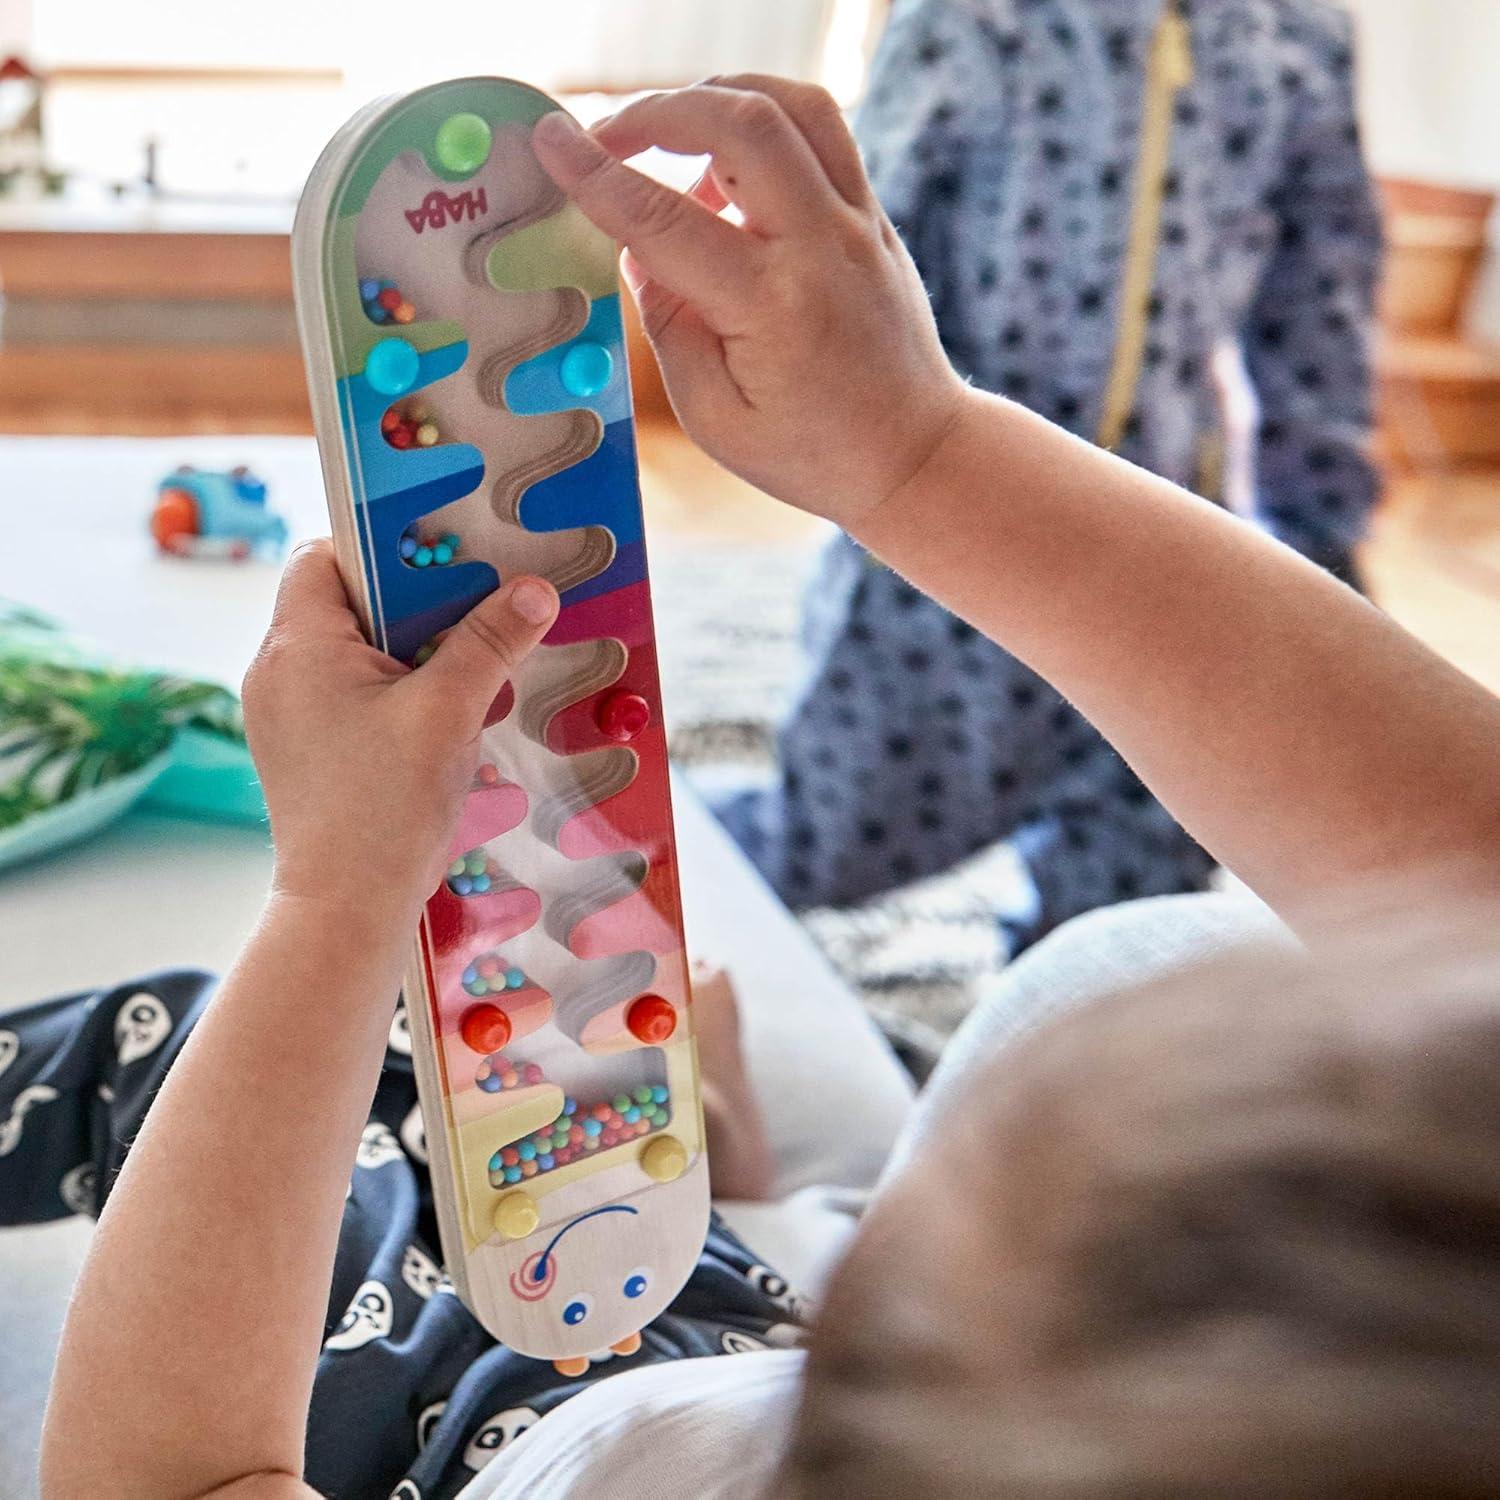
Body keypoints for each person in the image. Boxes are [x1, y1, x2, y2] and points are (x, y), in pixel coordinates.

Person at [27, 80, 1500, 1498]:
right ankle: (753, 1197)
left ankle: (743, 1206)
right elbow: (1467, 877)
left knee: (178, 1053)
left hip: (476, 1425)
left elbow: (180, 1474)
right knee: (1138, 976)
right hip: (753, 1328)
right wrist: (918, 453)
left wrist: (335, 905)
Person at [712, 0, 1387, 955]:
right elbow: (862, 239)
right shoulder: (975, 20)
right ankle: (641, 870)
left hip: (1174, 548)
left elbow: (1318, 301)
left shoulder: (1298, 36)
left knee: (1132, 896)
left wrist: (1319, 524)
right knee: (835, 838)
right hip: (954, 533)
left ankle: (1043, 1083)